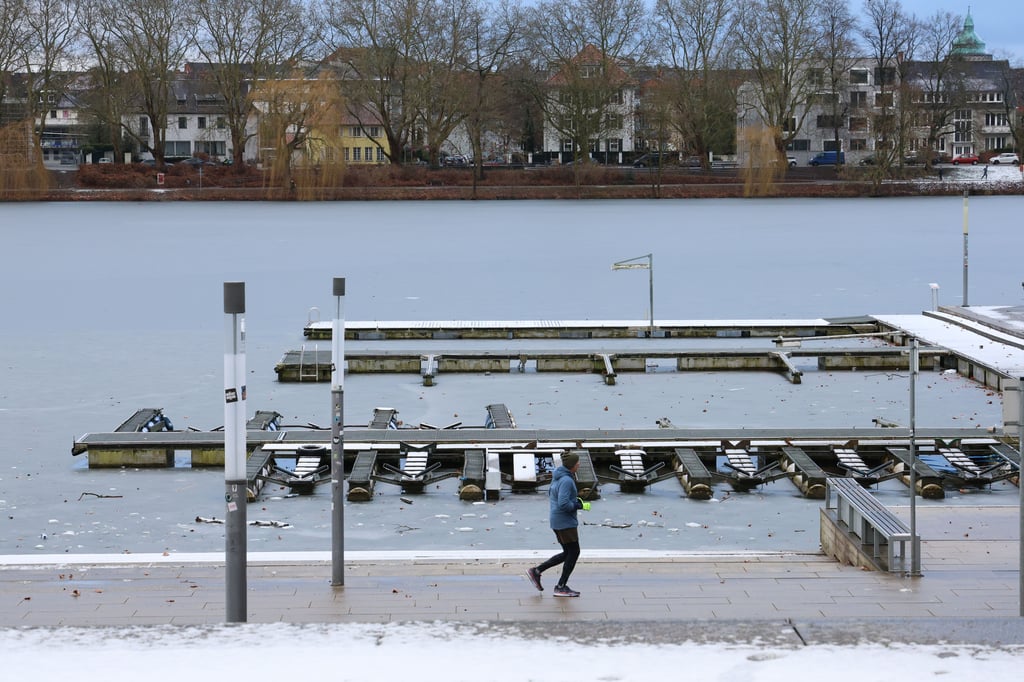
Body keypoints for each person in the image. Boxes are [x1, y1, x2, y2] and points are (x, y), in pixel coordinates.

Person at [526, 452, 590, 597]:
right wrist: (579, 505)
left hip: (557, 520)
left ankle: (536, 571)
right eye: (577, 463)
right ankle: (560, 586)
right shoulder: (566, 480)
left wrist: (576, 502)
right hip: (565, 522)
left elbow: (558, 498)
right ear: (572, 465)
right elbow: (563, 504)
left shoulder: (558, 476)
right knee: (574, 552)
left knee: (568, 552)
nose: (579, 464)